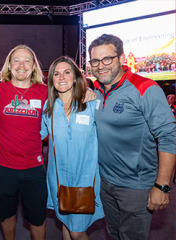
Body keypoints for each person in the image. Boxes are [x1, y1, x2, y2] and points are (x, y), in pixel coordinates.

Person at [88, 34, 176, 240]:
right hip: (105, 182)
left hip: (135, 187)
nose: (100, 66)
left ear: (121, 58)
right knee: (115, 233)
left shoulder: (145, 88)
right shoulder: (97, 90)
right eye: (95, 61)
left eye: (107, 59)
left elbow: (169, 136)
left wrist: (162, 185)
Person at [0, 45, 48, 240]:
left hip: (34, 167)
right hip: (3, 167)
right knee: (6, 216)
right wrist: (6, 134)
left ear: (34, 66)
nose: (22, 65)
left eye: (27, 60)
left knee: (38, 218)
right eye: (17, 61)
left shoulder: (45, 91)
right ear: (9, 66)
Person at [40, 56, 104, 240]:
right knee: (67, 223)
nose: (61, 77)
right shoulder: (48, 107)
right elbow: (35, 135)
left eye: (67, 72)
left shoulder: (92, 103)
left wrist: (92, 90)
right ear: (51, 79)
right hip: (58, 179)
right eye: (57, 74)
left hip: (85, 178)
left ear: (76, 77)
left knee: (77, 232)